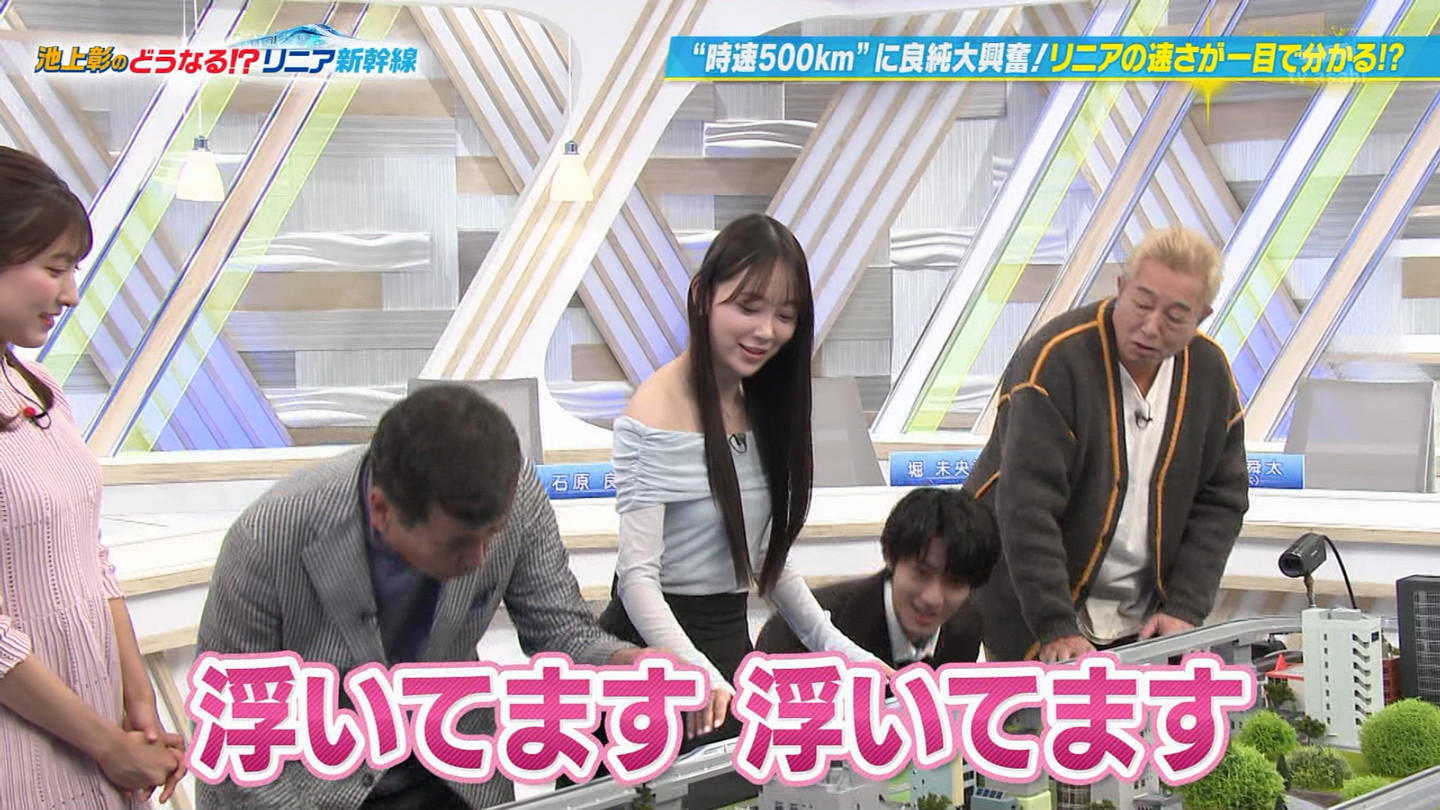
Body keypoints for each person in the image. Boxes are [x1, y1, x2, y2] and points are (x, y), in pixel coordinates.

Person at [195, 384, 650, 809]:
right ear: (381, 510)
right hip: (311, 787)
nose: (478, 559)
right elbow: (234, 742)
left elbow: (562, 632)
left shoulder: (518, 494)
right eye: (457, 544)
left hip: (450, 770)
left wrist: (627, 663)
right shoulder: (268, 538)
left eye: (491, 536)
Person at [596, 213, 883, 750]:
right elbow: (637, 581)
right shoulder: (654, 408)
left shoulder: (761, 405)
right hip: (654, 658)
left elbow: (767, 561)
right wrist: (695, 673)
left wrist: (842, 650)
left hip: (727, 651)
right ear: (702, 295)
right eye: (748, 307)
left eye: (785, 316)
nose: (765, 331)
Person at [964, 226, 1249, 664]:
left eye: (1175, 317)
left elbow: (1221, 499)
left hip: (1143, 613)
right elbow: (1027, 506)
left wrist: (1185, 606)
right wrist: (1055, 625)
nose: (1151, 327)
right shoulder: (1055, 360)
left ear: (1202, 317)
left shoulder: (1209, 373)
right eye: (1142, 304)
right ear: (1121, 287)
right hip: (1029, 603)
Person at [0, 146, 186, 807]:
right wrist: (106, 744)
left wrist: (137, 702)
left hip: (95, 740)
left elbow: (89, 554)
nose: (71, 294)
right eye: (54, 269)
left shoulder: (39, 388)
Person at [755, 487, 1000, 667]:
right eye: (921, 573)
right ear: (891, 557)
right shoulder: (796, 632)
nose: (933, 598)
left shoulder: (966, 628)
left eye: (954, 582)